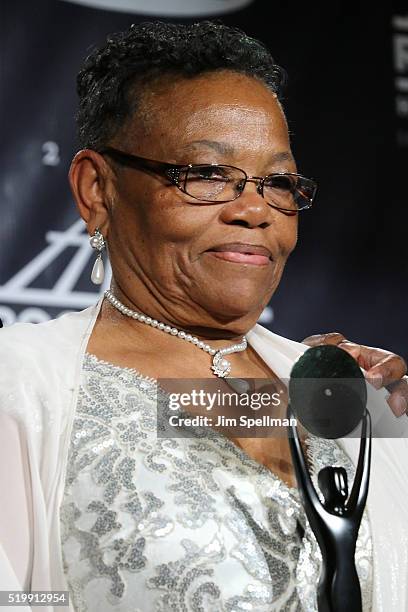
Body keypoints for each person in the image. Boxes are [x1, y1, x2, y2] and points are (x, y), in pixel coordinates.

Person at [0, 21, 407, 612]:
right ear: (97, 190)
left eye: (279, 182)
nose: (255, 209)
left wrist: (385, 423)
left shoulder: (332, 388)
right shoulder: (20, 387)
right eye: (208, 175)